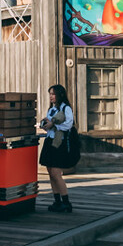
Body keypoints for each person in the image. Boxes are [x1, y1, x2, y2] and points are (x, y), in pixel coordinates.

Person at [38, 83, 77, 213]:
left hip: (58, 142)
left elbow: (68, 124)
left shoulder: (66, 108)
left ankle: (66, 202)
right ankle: (57, 201)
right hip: (50, 140)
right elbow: (48, 122)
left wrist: (53, 126)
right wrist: (44, 124)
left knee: (56, 172)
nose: (51, 96)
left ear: (60, 95)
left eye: (53, 94)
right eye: (50, 94)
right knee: (50, 171)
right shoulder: (52, 109)